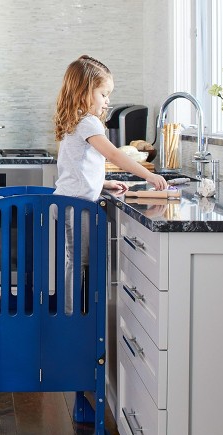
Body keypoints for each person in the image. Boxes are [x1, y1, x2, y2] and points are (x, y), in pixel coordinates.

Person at [53, 55, 167, 313]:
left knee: (76, 260)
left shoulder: (77, 120)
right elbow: (114, 154)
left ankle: (72, 314)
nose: (107, 101)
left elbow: (77, 166)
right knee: (78, 262)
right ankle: (70, 316)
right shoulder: (89, 122)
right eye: (104, 94)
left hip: (69, 201)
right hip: (75, 205)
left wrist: (104, 182)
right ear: (85, 92)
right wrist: (148, 176)